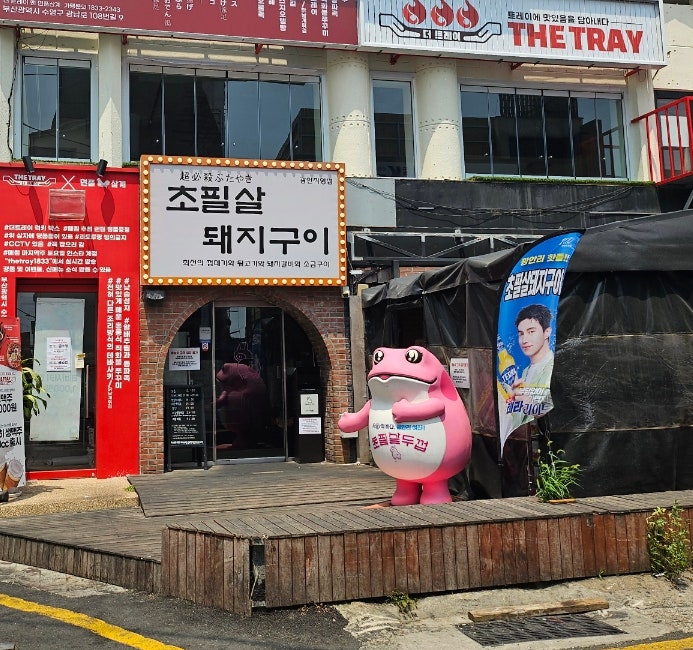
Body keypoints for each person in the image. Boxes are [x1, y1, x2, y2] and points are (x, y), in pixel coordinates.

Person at [509, 303, 555, 416]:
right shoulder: (526, 371)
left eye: (531, 332)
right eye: (521, 334)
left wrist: (529, 404)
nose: (524, 340)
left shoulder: (554, 367)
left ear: (547, 332)